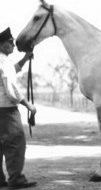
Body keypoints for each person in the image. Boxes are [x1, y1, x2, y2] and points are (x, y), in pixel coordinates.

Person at [0, 27, 37, 189]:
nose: (14, 45)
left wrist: (24, 59)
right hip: (7, 110)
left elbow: (10, 72)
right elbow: (11, 88)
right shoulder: (4, 62)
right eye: (10, 42)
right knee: (15, 143)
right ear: (1, 45)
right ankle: (16, 179)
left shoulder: (2, 61)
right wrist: (27, 104)